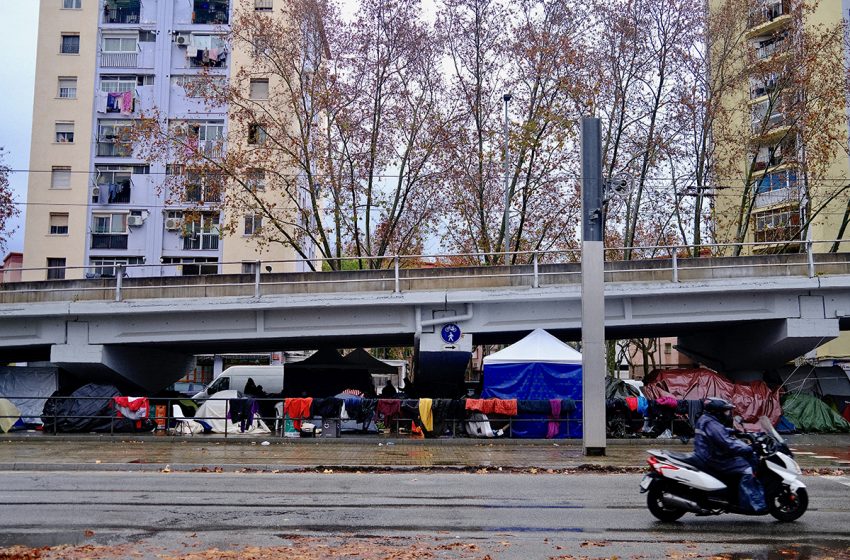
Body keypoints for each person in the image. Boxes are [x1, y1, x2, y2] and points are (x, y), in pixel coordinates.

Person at [693, 398, 767, 513]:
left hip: (706, 454)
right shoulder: (711, 423)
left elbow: (719, 432)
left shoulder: (706, 419)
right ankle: (753, 503)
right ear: (717, 412)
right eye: (726, 411)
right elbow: (729, 444)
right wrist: (748, 448)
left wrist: (734, 432)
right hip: (714, 458)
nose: (727, 414)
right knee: (747, 469)